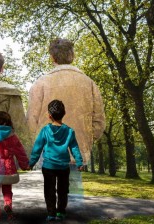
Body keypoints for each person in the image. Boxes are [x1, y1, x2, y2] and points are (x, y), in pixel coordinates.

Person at [26, 38, 106, 170]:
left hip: (48, 153)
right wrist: (86, 140)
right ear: (72, 56)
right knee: (71, 190)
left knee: (49, 189)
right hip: (77, 151)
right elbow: (99, 121)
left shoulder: (40, 83)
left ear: (52, 57)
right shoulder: (89, 83)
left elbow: (31, 122)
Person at [29, 100, 84, 221]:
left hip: (48, 167)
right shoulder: (69, 131)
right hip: (64, 167)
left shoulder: (45, 130)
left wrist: (31, 162)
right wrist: (79, 162)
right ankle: (61, 212)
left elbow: (37, 147)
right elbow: (74, 147)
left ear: (49, 115)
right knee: (63, 190)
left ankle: (51, 213)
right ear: (64, 113)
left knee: (49, 190)